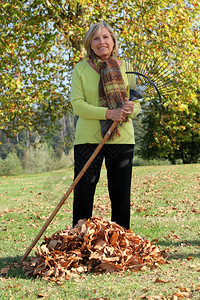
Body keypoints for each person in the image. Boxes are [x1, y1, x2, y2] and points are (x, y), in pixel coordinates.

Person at [70, 21, 141, 230]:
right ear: (90, 44)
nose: (102, 42)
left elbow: (136, 104)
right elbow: (78, 105)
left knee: (120, 195)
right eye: (96, 38)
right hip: (88, 139)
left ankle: (121, 246)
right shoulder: (81, 69)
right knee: (83, 193)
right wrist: (109, 113)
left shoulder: (127, 67)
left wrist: (129, 109)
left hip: (122, 138)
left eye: (105, 37)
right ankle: (78, 242)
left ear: (113, 41)